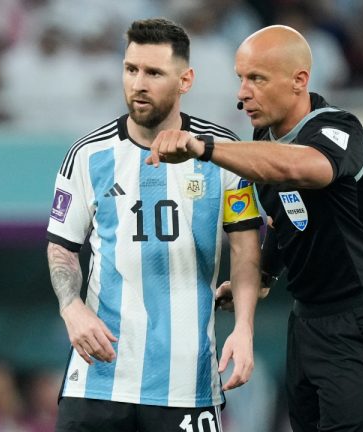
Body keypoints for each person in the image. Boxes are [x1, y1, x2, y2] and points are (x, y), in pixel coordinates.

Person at [147, 25, 363, 432]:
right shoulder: (263, 139)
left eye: (256, 78)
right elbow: (287, 216)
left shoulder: (339, 131)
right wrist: (265, 272)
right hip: (307, 322)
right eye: (240, 78)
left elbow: (297, 168)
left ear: (299, 81)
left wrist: (204, 147)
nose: (242, 93)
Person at [45, 18, 263, 432]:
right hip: (97, 382)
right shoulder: (88, 156)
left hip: (187, 385)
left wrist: (245, 328)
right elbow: (61, 246)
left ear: (186, 80)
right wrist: (71, 308)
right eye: (131, 70)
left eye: (154, 73)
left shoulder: (225, 155)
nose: (138, 83)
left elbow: (246, 248)